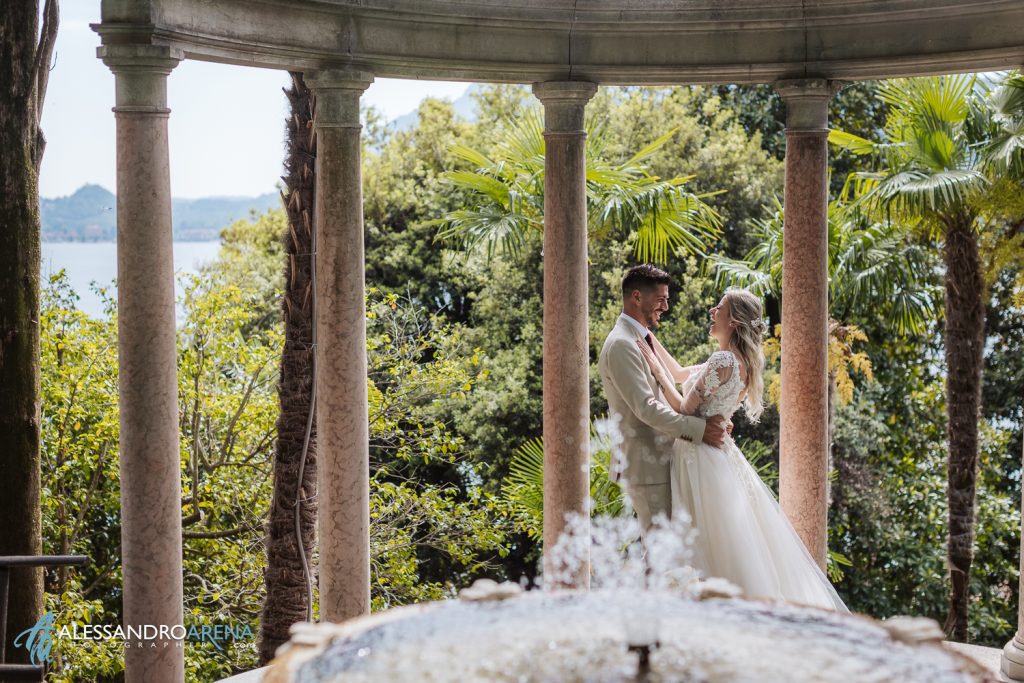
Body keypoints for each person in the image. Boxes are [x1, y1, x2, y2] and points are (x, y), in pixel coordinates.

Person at [635, 288, 848, 611]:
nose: (711, 311)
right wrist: (649, 339)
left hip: (700, 458)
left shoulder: (722, 361)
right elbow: (680, 374)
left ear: (732, 320)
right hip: (717, 456)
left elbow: (682, 408)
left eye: (718, 307)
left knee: (708, 541)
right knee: (725, 542)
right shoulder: (738, 363)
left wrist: (653, 368)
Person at [598, 264, 727, 532]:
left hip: (665, 459)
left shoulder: (642, 337)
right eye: (661, 300)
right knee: (660, 553)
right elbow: (646, 407)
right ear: (636, 297)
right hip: (647, 466)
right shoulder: (622, 344)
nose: (666, 307)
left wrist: (727, 369)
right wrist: (702, 431)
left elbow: (677, 375)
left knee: (672, 550)